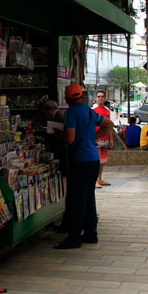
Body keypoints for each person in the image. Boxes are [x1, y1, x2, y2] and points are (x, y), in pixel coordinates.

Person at [55, 84, 113, 249]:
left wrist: (59, 134)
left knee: (76, 199)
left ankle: (74, 237)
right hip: (93, 159)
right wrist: (92, 137)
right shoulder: (89, 111)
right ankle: (90, 233)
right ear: (81, 96)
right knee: (88, 197)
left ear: (66, 98)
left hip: (80, 160)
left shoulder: (71, 112)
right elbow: (109, 124)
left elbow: (70, 138)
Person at [92, 90, 112, 188]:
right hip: (97, 138)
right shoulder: (93, 110)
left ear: (105, 98)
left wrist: (111, 139)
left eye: (102, 96)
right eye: (99, 96)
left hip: (106, 138)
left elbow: (109, 126)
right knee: (97, 160)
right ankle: (95, 180)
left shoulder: (107, 110)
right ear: (95, 98)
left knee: (103, 160)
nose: (100, 98)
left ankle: (100, 178)